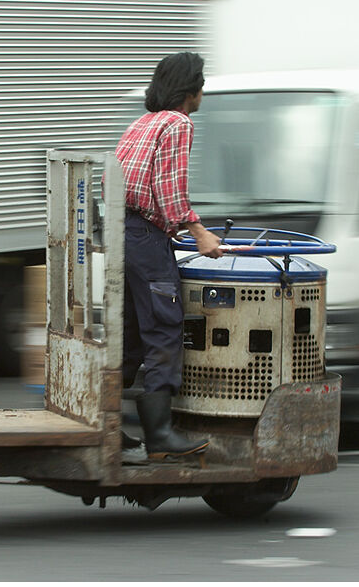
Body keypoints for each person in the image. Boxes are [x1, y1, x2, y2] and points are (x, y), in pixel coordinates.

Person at [115, 52, 223, 460]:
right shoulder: (178, 123)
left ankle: (104, 427)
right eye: (201, 83)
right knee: (164, 327)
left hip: (121, 233)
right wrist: (198, 231)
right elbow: (169, 188)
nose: (203, 90)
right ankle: (160, 435)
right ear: (191, 88)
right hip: (146, 237)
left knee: (128, 334)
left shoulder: (141, 122)